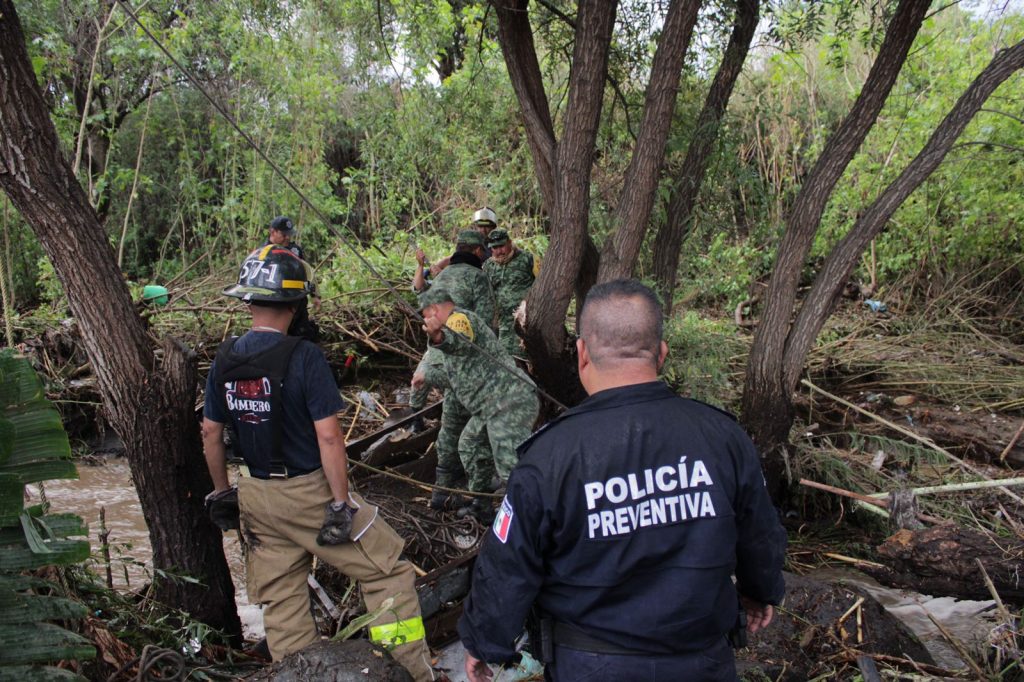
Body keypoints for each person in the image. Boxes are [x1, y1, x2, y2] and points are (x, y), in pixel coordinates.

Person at [457, 279, 787, 682]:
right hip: (701, 660)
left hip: (592, 666)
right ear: (661, 353)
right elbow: (760, 532)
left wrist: (483, 641)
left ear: (582, 353)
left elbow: (509, 563)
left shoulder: (548, 457)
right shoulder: (722, 437)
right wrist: (760, 591)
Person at [201, 245, 434, 681]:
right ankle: (410, 675)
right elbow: (329, 437)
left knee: (282, 601)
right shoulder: (304, 356)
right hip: (308, 491)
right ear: (295, 304)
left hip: (254, 495)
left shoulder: (225, 357)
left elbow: (211, 433)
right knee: (388, 573)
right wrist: (341, 503)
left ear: (248, 301)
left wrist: (221, 493)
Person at [418, 285, 539, 521]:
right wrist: (426, 376)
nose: (424, 321)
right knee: (470, 445)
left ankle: (528, 520)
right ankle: (481, 505)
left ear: (434, 309)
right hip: (490, 407)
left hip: (508, 401)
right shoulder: (452, 325)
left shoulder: (458, 320)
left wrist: (439, 337)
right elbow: (454, 378)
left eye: (425, 315)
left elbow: (459, 341)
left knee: (510, 466)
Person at [409, 230, 498, 511]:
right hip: (465, 362)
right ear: (477, 252)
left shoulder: (442, 276)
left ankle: (442, 489)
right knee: (477, 427)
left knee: (450, 423)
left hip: (437, 354)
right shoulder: (478, 278)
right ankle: (480, 494)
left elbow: (421, 298)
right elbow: (484, 324)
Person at [483, 228, 539, 360]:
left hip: (526, 322)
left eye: (501, 246)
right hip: (503, 324)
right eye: (494, 248)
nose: (499, 251)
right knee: (505, 359)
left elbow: (544, 284)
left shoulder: (528, 259)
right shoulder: (488, 266)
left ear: (509, 242)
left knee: (528, 358)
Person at [265, 215, 321, 342]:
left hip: (298, 302)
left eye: (289, 234)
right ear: (272, 232)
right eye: (284, 234)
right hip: (276, 304)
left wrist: (314, 295)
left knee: (304, 336)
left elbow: (306, 272)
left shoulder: (295, 250)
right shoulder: (263, 252)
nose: (287, 238)